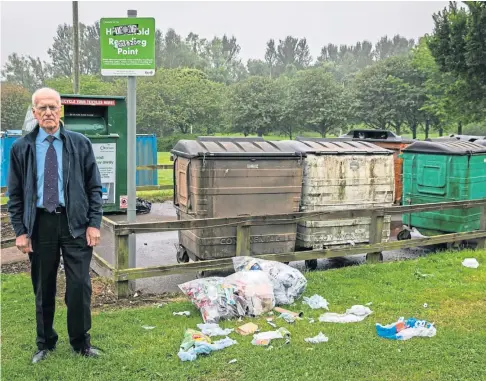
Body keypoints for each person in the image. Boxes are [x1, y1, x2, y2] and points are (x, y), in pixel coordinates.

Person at [7, 87, 104, 363]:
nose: (48, 112)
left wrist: (93, 224)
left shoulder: (80, 143)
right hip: (40, 225)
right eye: (43, 108)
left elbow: (94, 188)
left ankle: (81, 342)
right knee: (43, 286)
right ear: (35, 112)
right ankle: (45, 343)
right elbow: (14, 195)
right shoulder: (21, 148)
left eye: (53, 107)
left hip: (75, 224)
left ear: (61, 110)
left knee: (79, 286)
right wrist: (21, 231)